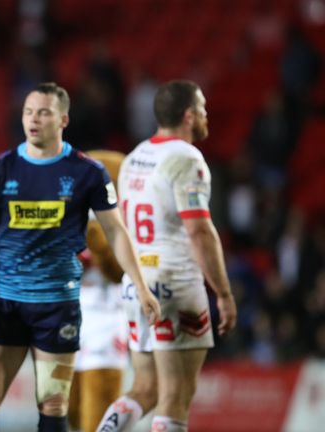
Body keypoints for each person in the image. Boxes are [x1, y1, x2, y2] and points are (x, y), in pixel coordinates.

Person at [0, 82, 161, 432]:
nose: (34, 119)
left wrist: (139, 285)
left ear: (63, 119)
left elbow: (116, 232)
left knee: (53, 403)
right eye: (28, 112)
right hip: (7, 305)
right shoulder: (1, 168)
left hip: (57, 309)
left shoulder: (87, 172)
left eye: (44, 112)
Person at [95, 80, 237, 432]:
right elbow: (199, 231)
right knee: (175, 398)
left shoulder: (136, 157)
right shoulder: (187, 160)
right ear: (188, 116)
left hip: (136, 283)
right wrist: (224, 293)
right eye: (202, 109)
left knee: (145, 389)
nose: (206, 115)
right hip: (175, 282)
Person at [68, 150, 129, 432]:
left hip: (106, 315)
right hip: (67, 313)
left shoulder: (119, 215)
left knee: (100, 406)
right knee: (66, 408)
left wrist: (100, 248)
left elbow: (119, 272)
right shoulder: (66, 209)